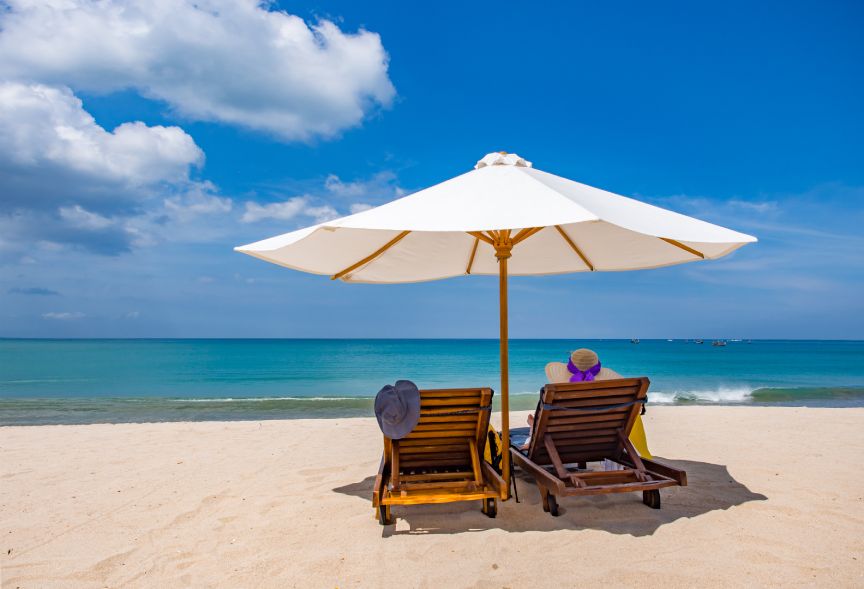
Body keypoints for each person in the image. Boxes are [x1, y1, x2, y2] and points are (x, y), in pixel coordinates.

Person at [520, 348, 621, 449]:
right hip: (600, 439)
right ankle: (534, 426)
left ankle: (533, 427)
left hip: (562, 440)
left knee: (545, 422)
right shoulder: (607, 394)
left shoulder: (560, 395)